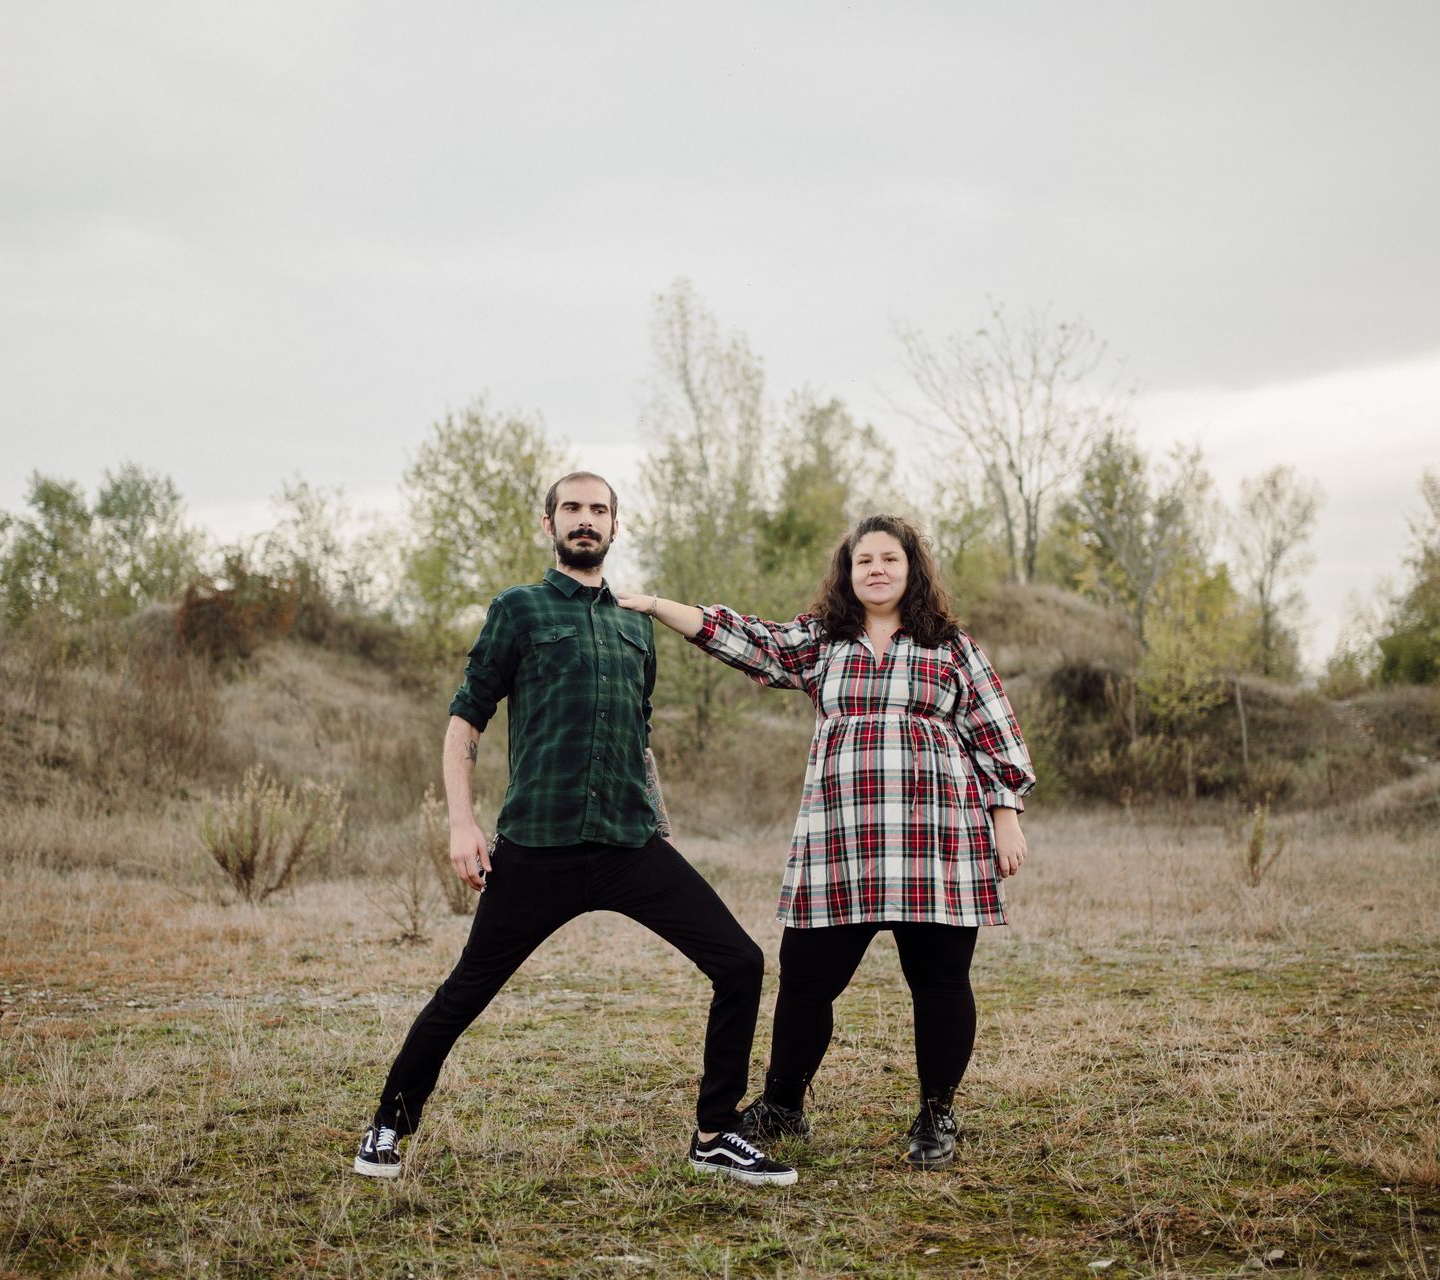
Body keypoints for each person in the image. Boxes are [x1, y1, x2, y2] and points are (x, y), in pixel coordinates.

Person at [353, 472, 797, 1187]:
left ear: (616, 525)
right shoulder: (518, 610)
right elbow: (466, 719)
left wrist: (660, 824)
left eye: (598, 510)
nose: (584, 520)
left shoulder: (635, 624)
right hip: (539, 845)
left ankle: (715, 1133)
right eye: (571, 509)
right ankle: (386, 1126)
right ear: (549, 523)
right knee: (466, 991)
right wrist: (462, 823)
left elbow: (639, 737)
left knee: (740, 963)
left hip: (629, 843)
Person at [617, 513, 1034, 1170]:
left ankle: (936, 1114)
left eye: (889, 559)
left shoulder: (951, 647)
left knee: (940, 981)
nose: (876, 569)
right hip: (841, 842)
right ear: (848, 573)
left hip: (935, 840)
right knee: (806, 980)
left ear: (912, 570)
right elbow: (744, 638)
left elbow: (996, 732)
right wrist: (654, 605)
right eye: (864, 560)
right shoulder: (820, 642)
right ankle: (784, 1106)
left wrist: (1005, 813)